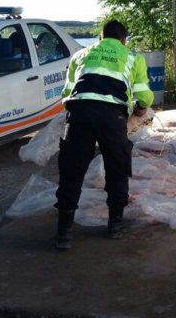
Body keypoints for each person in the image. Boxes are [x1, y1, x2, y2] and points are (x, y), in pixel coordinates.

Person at [54, 20, 153, 251]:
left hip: (80, 114)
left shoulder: (80, 56)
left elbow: (67, 93)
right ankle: (115, 225)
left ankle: (63, 234)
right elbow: (145, 96)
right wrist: (139, 110)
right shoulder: (132, 57)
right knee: (117, 169)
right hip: (113, 118)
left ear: (100, 38)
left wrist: (77, 115)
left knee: (72, 172)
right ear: (123, 40)